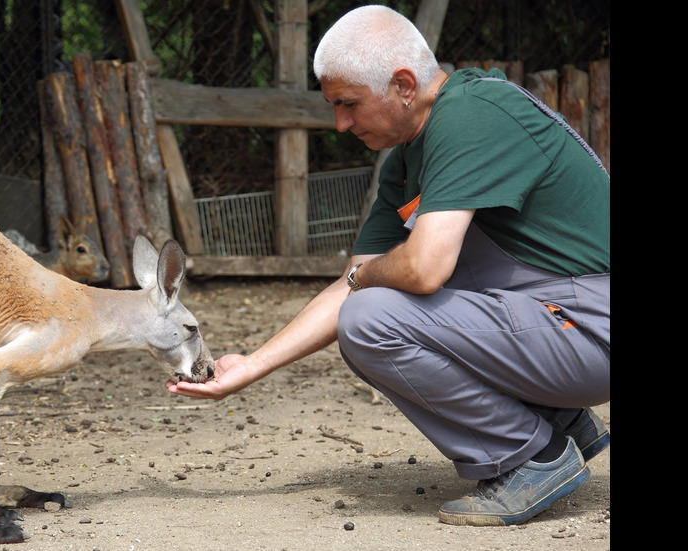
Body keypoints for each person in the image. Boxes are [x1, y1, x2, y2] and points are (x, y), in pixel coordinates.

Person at [166, 4, 609, 527]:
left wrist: (362, 280)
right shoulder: (407, 155)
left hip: (591, 327)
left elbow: (418, 272)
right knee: (367, 312)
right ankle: (557, 422)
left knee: (373, 319)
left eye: (349, 104)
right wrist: (253, 366)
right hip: (557, 325)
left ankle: (532, 456)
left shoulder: (471, 115)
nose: (340, 123)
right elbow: (351, 283)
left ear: (403, 84)